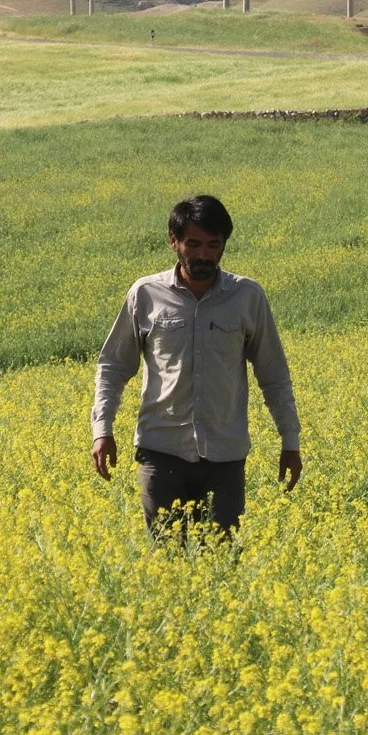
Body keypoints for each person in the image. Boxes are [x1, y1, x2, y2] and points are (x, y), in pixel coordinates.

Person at [90, 194, 302, 538]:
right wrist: (103, 430)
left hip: (225, 457)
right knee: (167, 563)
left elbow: (274, 375)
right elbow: (113, 367)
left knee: (221, 563)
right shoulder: (145, 294)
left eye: (213, 245)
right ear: (173, 242)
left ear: (223, 245)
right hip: (161, 453)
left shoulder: (247, 296)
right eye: (193, 244)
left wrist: (289, 441)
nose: (203, 254)